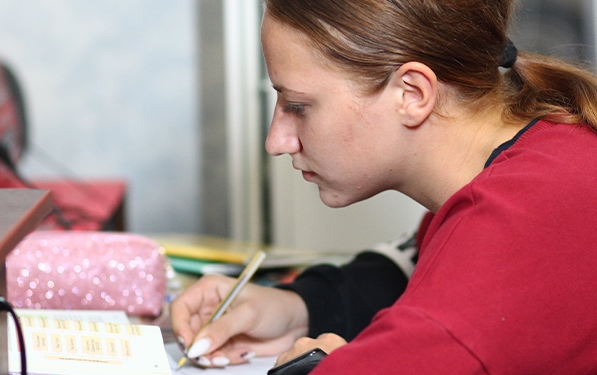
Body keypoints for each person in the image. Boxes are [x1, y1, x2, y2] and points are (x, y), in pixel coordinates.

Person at [170, 0, 597, 373]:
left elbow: (445, 327)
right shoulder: (544, 161)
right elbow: (419, 267)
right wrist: (300, 308)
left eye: (298, 106)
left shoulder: (526, 216)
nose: (276, 141)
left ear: (411, 93)